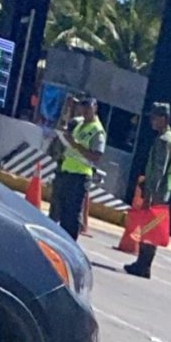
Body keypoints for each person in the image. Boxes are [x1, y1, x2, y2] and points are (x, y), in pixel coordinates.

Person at [124, 102, 171, 279]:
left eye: (155, 117)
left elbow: (158, 170)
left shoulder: (163, 141)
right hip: (164, 193)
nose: (152, 121)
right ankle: (143, 264)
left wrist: (149, 194)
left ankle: (143, 265)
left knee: (148, 230)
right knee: (152, 230)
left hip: (157, 194)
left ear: (164, 119)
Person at [51, 95, 106, 241]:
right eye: (84, 107)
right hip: (66, 171)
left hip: (80, 176)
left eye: (89, 108)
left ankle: (69, 243)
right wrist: (69, 109)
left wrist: (75, 144)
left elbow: (96, 156)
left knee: (72, 215)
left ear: (95, 109)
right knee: (59, 210)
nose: (86, 111)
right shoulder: (79, 123)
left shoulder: (97, 131)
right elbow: (65, 127)